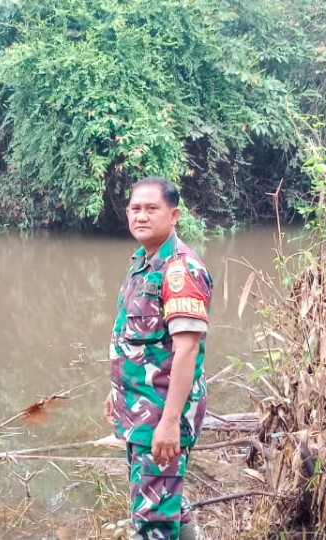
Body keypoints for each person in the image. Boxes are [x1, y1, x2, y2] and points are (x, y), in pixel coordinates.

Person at [104, 176, 212, 540]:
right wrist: (116, 392)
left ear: (174, 214)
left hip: (160, 417)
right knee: (167, 505)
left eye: (152, 209)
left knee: (152, 522)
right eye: (135, 209)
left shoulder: (180, 271)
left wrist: (168, 423)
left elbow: (187, 350)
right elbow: (137, 342)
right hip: (140, 411)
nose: (141, 216)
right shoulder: (143, 264)